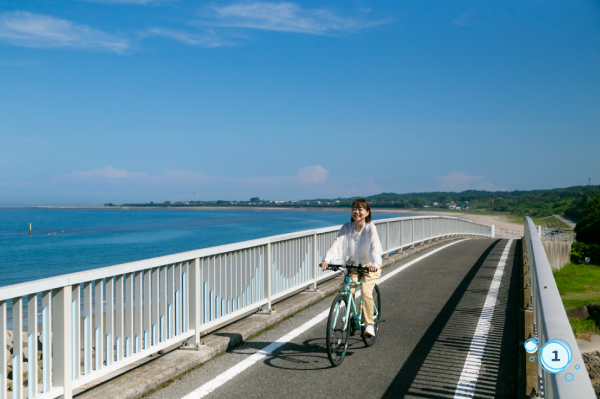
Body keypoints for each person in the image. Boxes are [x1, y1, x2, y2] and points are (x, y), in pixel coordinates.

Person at [320, 198, 383, 337]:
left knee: (366, 292)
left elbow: (375, 247)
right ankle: (348, 313)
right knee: (348, 290)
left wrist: (375, 264)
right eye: (354, 208)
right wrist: (327, 259)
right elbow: (336, 245)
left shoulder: (370, 227)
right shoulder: (346, 227)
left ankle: (369, 324)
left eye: (360, 209)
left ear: (367, 212)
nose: (357, 212)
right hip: (353, 265)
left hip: (369, 266)